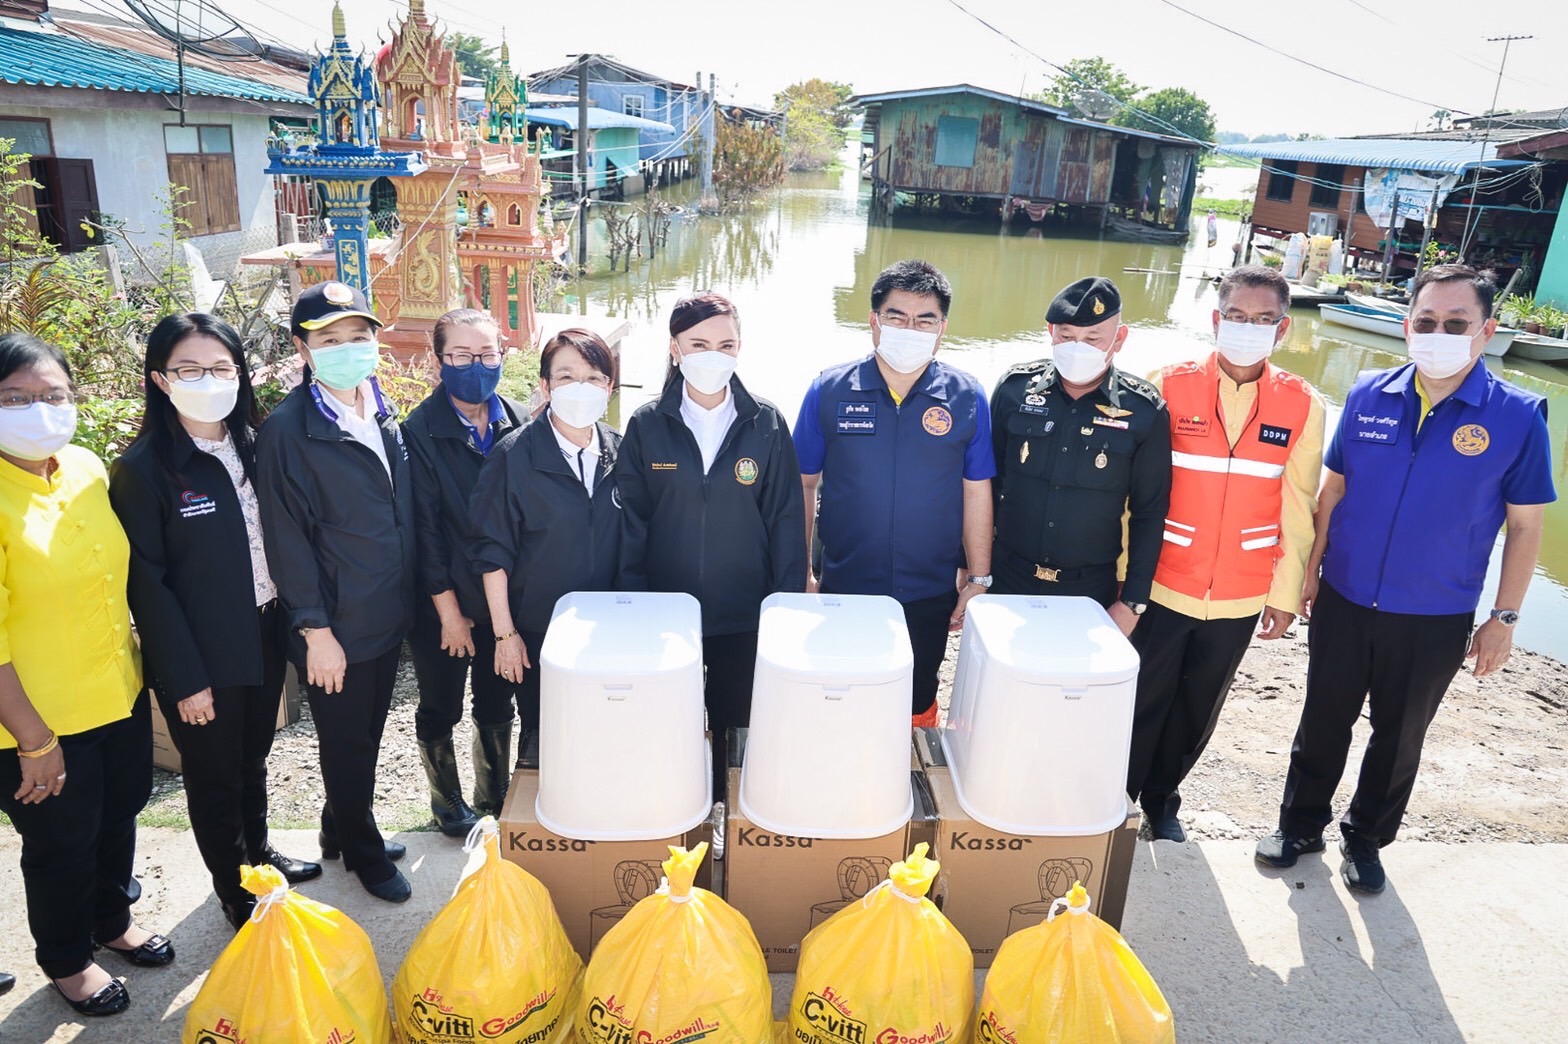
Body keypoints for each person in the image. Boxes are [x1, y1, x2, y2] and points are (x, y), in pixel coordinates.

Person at [1256, 265, 1556, 894]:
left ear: (1487, 331)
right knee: (1324, 717)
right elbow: (1333, 491)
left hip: (1435, 613)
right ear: (1407, 325)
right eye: (1427, 321)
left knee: (1399, 736)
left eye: (1456, 324)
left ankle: (1366, 839)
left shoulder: (1519, 416)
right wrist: (1310, 571)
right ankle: (1301, 825)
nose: (1438, 334)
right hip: (1344, 596)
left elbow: (1526, 527)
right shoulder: (1369, 392)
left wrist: (1503, 618)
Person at [109, 314, 321, 931]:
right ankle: (234, 889)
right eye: (190, 369)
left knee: (252, 756)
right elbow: (147, 588)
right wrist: (184, 679)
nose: (208, 380)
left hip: (264, 631)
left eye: (221, 367)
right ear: (160, 379)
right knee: (212, 775)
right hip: (201, 651)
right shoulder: (145, 469)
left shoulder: (255, 444)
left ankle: (259, 855)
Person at [0, 334, 171, 1017]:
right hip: (35, 718)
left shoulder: (84, 467)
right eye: (15, 398)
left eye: (53, 395)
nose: (39, 410)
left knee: (119, 813)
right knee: (61, 843)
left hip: (115, 692)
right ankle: (67, 959)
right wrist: (33, 740)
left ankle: (111, 919)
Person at [1125, 267, 1326, 842]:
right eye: (1237, 316)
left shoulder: (1302, 404)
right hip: (1164, 580)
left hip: (1242, 589)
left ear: (1283, 329)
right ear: (1216, 319)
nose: (1247, 327)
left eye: (1263, 320)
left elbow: (1299, 505)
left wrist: (1285, 593)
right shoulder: (1166, 384)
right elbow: (1133, 494)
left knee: (1198, 705)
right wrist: (1123, 578)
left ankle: (1163, 802)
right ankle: (1119, 796)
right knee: (1141, 696)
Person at [255, 281, 416, 904]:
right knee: (347, 744)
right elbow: (287, 539)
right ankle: (364, 854)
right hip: (335, 623)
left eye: (358, 336)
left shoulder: (379, 408)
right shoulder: (288, 431)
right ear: (303, 350)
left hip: (383, 610)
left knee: (366, 735)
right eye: (329, 340)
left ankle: (337, 828)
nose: (348, 348)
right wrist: (315, 630)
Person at [616, 293, 805, 792]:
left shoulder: (764, 422)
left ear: (740, 348)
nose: (712, 356)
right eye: (698, 344)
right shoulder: (647, 424)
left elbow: (786, 521)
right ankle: (671, 807)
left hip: (742, 613)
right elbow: (631, 522)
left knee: (735, 724)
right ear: (675, 347)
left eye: (726, 345)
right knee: (668, 722)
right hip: (665, 613)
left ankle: (726, 808)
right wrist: (634, 602)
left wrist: (783, 608)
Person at [794, 260, 994, 725]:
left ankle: (910, 759)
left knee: (916, 696)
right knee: (843, 692)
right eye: (897, 316)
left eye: (925, 320)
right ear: (874, 321)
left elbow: (976, 491)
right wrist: (802, 570)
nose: (910, 329)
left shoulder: (967, 396)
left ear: (942, 328)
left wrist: (979, 577)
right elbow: (802, 483)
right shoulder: (829, 390)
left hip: (929, 588)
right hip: (847, 582)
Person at [470, 329, 621, 774]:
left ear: (609, 387)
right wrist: (505, 636)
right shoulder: (513, 457)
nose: (581, 388)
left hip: (609, 626)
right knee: (545, 733)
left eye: (594, 378)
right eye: (567, 376)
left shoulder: (621, 452)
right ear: (545, 385)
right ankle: (534, 810)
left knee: (605, 725)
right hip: (540, 630)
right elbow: (491, 553)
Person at [402, 309, 528, 828]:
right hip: (442, 599)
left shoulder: (519, 420)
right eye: (460, 355)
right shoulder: (418, 431)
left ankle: (492, 793)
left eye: (486, 354)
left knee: (497, 702)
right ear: (438, 361)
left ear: (502, 355)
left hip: (502, 601)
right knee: (442, 703)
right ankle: (445, 801)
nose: (475, 366)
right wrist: (449, 614)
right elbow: (425, 531)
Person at [989, 277, 1171, 635]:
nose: (1077, 348)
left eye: (1092, 339)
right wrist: (971, 568)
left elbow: (1149, 512)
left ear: (1119, 338)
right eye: (1067, 336)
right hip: (1006, 577)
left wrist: (1133, 601)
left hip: (1088, 591)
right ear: (1051, 332)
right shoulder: (1014, 390)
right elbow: (985, 485)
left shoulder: (1143, 410)